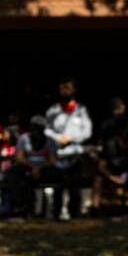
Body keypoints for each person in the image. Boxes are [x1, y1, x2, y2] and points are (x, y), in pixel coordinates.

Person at [45, 79, 92, 220]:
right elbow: (47, 130)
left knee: (75, 186)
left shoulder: (81, 110)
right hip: (58, 154)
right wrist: (58, 138)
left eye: (68, 88)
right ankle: (56, 215)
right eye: (62, 88)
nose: (65, 91)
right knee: (58, 186)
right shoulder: (53, 110)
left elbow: (87, 132)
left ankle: (74, 215)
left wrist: (71, 138)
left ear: (74, 90)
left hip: (75, 154)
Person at [15, 115, 57, 218]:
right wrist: (33, 166)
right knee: (17, 174)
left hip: (45, 168)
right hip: (27, 167)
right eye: (34, 127)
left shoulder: (50, 140)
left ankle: (54, 211)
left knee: (58, 174)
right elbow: (19, 158)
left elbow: (53, 160)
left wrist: (39, 167)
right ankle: (24, 209)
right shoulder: (24, 138)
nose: (36, 131)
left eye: (39, 128)